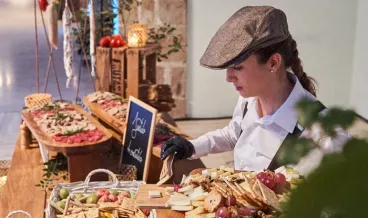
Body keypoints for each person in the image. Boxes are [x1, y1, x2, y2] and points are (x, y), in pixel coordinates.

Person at [160, 6, 349, 175]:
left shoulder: (325, 133)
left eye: (238, 67)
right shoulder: (247, 101)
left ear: (273, 63)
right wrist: (192, 146)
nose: (228, 77)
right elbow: (235, 134)